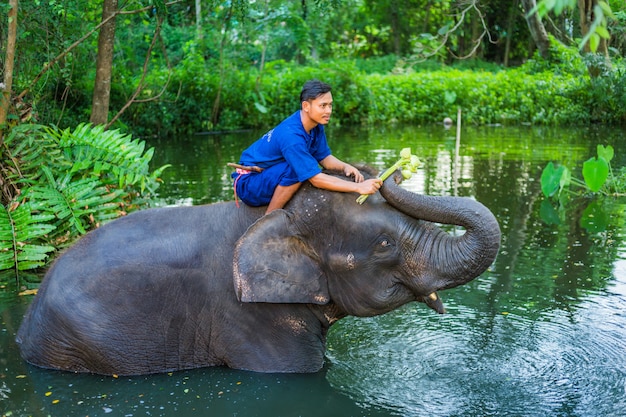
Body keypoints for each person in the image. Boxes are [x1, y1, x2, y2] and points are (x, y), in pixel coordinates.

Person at [232, 79, 382, 214]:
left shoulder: (315, 125)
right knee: (297, 169)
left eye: (330, 105)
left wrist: (345, 167)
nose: (328, 111)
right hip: (250, 183)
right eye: (323, 106)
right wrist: (358, 187)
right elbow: (315, 179)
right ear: (306, 106)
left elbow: (324, 158)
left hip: (268, 175)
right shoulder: (292, 136)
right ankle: (270, 217)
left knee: (302, 166)